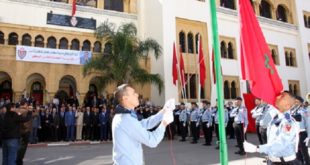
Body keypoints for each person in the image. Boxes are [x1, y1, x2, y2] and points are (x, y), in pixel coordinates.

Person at [112, 84, 174, 165]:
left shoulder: (125, 116)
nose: (137, 95)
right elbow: (152, 141)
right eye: (134, 93)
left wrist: (163, 111)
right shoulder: (126, 119)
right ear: (125, 98)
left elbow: (145, 123)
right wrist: (164, 123)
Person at [244, 91, 302, 165]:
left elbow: (280, 144)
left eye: (282, 97)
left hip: (285, 162)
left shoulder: (288, 122)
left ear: (287, 105)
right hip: (273, 160)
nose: (277, 97)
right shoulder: (275, 116)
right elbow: (264, 124)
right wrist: (272, 108)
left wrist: (257, 148)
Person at [290, 96, 310, 165]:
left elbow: (308, 123)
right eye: (294, 101)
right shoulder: (292, 110)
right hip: (295, 134)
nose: (295, 103)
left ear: (300, 103)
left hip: (302, 133)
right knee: (297, 152)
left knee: (304, 152)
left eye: (297, 102)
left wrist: (308, 136)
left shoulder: (304, 111)